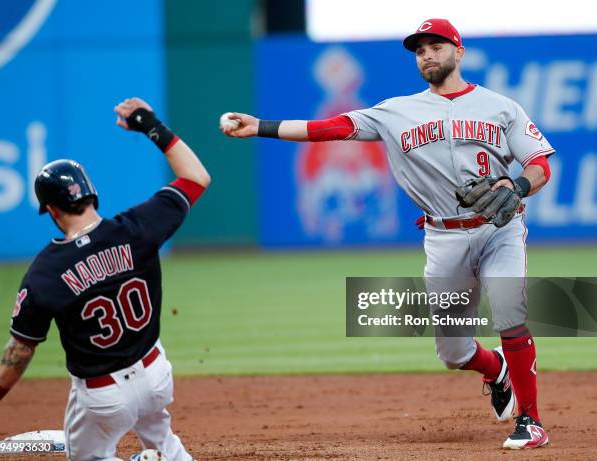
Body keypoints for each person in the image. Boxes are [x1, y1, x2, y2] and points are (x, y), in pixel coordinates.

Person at [221, 18, 553, 450]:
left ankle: (531, 421)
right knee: (454, 353)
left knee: (510, 311)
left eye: (436, 46)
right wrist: (261, 126)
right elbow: (331, 129)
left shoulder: (501, 107)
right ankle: (494, 370)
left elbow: (539, 164)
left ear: (459, 51)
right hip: (443, 237)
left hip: (499, 230)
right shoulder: (395, 111)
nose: (428, 55)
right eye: (420, 50)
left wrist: (519, 186)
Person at [0, 97, 210, 461]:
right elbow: (196, 177)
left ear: (52, 210)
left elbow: (21, 349)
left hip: (103, 395)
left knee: (88, 458)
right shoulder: (139, 228)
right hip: (156, 374)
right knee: (164, 442)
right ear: (92, 195)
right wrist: (150, 125)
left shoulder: (44, 272)